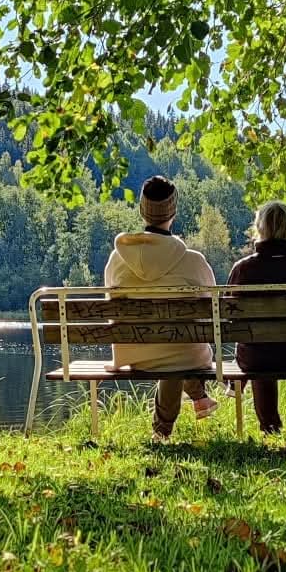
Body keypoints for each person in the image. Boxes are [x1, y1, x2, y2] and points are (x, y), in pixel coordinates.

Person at [103, 175, 219, 439]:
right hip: (186, 353)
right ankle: (173, 421)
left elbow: (111, 304)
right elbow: (214, 308)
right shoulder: (194, 262)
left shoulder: (117, 259)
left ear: (142, 210)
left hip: (134, 354)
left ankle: (162, 432)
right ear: (173, 212)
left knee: (168, 350)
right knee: (176, 349)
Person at [227, 201, 286, 435]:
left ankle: (269, 427)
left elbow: (229, 315)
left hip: (255, 358)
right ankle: (270, 426)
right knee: (266, 347)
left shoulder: (243, 269)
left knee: (260, 349)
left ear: (260, 227)